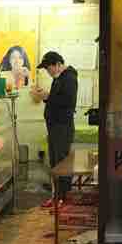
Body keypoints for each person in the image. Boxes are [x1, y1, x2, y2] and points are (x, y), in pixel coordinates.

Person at [32, 50, 78, 201]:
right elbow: (56, 100)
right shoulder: (58, 78)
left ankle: (64, 197)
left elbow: (68, 102)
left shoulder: (69, 78)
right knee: (55, 163)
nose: (48, 71)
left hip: (62, 127)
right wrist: (46, 96)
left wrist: (48, 96)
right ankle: (57, 196)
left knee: (61, 163)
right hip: (54, 127)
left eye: (48, 68)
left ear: (58, 64)